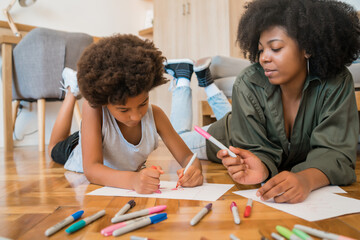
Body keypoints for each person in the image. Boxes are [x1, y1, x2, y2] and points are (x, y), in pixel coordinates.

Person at [167, 0, 360, 203]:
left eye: (275, 48)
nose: (263, 58)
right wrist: (260, 166)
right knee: (178, 138)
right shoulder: (248, 82)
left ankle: (207, 84)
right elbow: (256, 151)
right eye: (260, 50)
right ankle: (182, 78)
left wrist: (306, 179)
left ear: (308, 48)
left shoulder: (337, 82)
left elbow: (337, 153)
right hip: (229, 136)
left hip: (246, 118)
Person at [48, 34, 203, 194]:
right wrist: (133, 180)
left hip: (102, 138)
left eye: (143, 103)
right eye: (124, 109)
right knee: (53, 148)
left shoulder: (156, 115)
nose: (136, 116)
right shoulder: (94, 108)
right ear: (103, 102)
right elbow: (92, 170)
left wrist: (193, 170)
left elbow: (187, 158)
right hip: (76, 148)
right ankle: (71, 91)